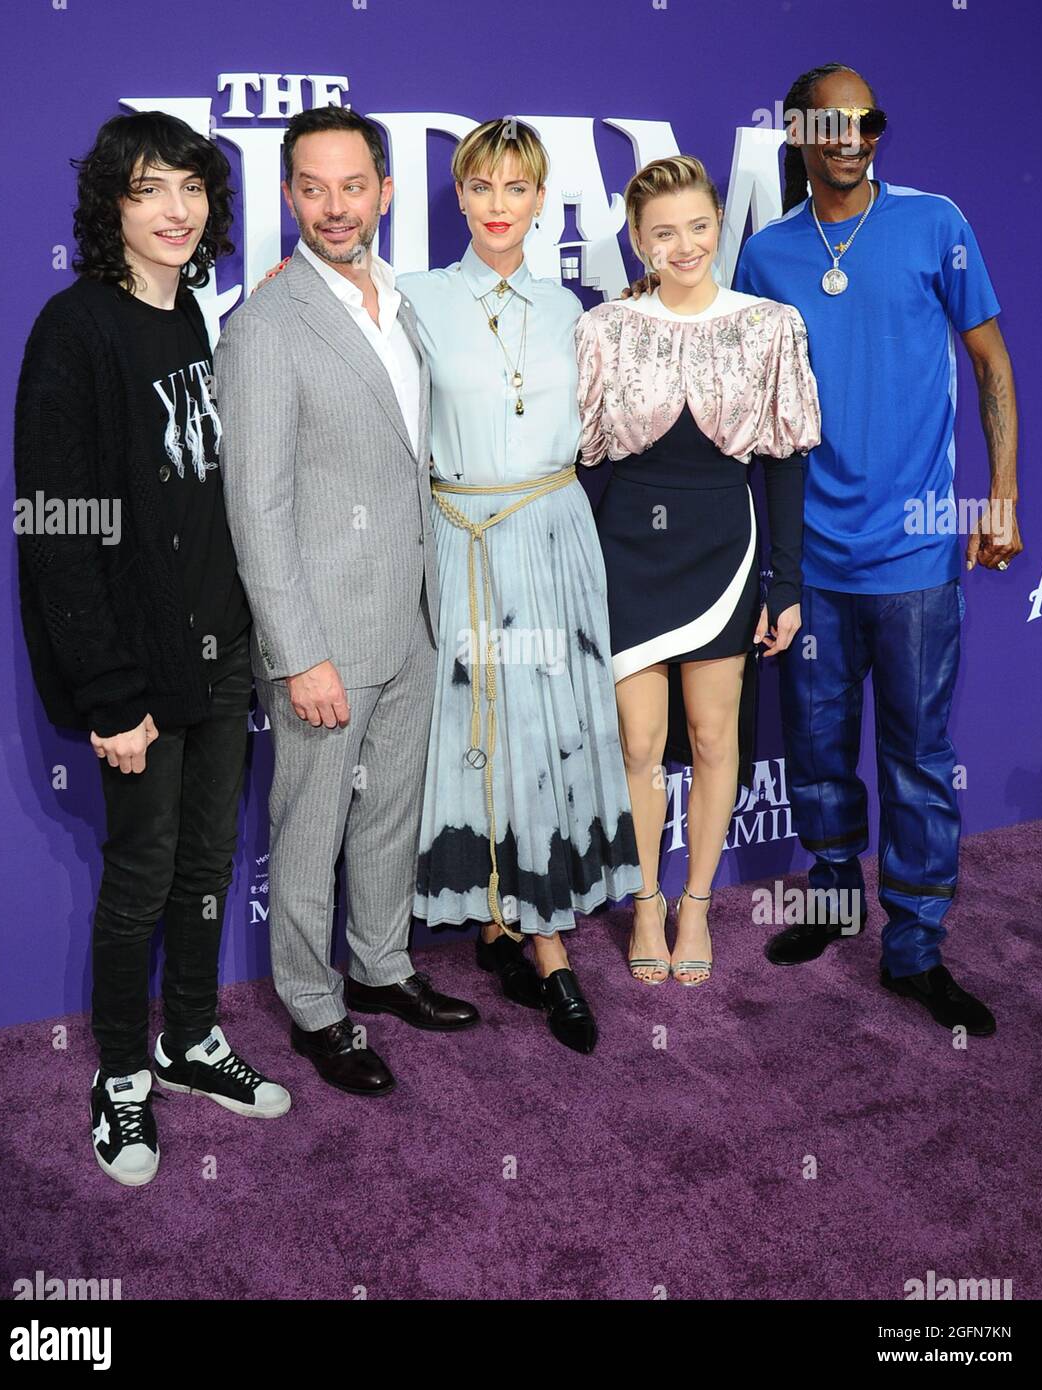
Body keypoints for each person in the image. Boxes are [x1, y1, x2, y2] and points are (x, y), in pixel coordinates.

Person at [14, 112, 289, 1189]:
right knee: (140, 877)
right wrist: (110, 691)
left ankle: (188, 1038)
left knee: (207, 865)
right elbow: (57, 524)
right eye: (148, 190)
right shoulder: (74, 329)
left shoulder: (195, 324)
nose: (176, 209)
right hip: (137, 667)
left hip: (220, 652)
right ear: (111, 208)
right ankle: (122, 1071)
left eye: (190, 187)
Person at [733, 65, 1020, 1034]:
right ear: (798, 133)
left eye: (866, 121)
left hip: (915, 559)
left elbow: (991, 363)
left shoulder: (934, 222)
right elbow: (744, 389)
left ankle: (915, 948)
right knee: (814, 752)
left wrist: (1002, 496)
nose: (851, 136)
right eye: (830, 122)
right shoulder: (767, 255)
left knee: (917, 759)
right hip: (809, 555)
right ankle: (828, 896)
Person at [214, 107, 478, 1099]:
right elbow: (257, 503)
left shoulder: (397, 298)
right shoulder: (267, 324)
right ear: (287, 196)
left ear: (384, 189)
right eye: (313, 188)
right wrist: (296, 650)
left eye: (352, 185)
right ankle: (313, 1003)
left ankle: (379, 965)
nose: (334, 206)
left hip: (409, 614)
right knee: (310, 827)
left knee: (388, 816)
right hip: (322, 632)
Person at [398, 119, 643, 1054]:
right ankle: (533, 945)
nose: (499, 207)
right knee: (474, 737)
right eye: (482, 188)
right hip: (458, 535)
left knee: (543, 733)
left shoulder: (576, 310)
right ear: (459, 197)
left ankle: (527, 933)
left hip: (552, 536)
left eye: (517, 189)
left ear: (543, 201)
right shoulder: (409, 298)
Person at [579, 156, 821, 987]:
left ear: (722, 223)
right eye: (663, 233)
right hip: (627, 555)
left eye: (698, 226)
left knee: (716, 739)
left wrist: (783, 585)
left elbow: (786, 462)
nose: (684, 246)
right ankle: (645, 897)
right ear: (638, 241)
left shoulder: (769, 325)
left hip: (726, 549)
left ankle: (697, 904)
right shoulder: (606, 328)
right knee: (639, 743)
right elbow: (576, 464)